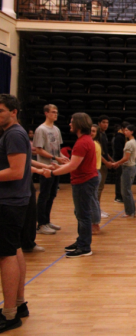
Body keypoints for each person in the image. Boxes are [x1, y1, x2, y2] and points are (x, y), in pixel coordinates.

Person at [43, 113, 99, 258]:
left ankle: (84, 247)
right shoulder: (85, 140)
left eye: (72, 122)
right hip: (85, 180)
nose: (69, 124)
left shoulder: (82, 142)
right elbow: (75, 164)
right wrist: (63, 165)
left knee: (83, 215)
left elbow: (73, 166)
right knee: (80, 213)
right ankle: (81, 241)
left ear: (79, 124)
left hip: (83, 182)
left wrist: (53, 173)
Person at [0, 94, 32, 333]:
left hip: (9, 202)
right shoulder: (15, 133)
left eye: (1, 111)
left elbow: (16, 171)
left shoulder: (13, 134)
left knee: (6, 254)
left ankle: (9, 314)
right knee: (15, 249)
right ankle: (19, 305)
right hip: (14, 201)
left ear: (13, 111)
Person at [33, 104, 68, 235]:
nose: (55, 114)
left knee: (52, 194)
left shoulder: (56, 129)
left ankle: (47, 220)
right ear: (46, 113)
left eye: (56, 112)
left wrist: (63, 159)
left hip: (56, 167)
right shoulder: (41, 130)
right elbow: (39, 150)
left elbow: (58, 151)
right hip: (45, 167)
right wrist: (55, 157)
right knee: (44, 195)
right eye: (53, 112)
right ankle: (41, 224)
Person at [112, 124, 136, 218]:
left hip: (128, 168)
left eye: (127, 130)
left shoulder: (129, 143)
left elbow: (126, 158)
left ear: (132, 132)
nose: (125, 132)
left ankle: (129, 212)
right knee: (127, 191)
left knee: (125, 191)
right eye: (125, 130)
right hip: (132, 167)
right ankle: (132, 211)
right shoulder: (133, 142)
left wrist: (117, 163)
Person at [90, 125, 106, 235]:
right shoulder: (93, 143)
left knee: (93, 201)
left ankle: (95, 225)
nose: (91, 133)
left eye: (93, 131)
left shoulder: (93, 144)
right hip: (95, 173)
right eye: (90, 130)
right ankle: (93, 224)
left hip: (94, 173)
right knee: (93, 200)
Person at [97, 115, 113, 218]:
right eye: (103, 122)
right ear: (99, 123)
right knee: (98, 188)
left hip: (104, 164)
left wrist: (111, 160)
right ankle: (96, 210)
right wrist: (106, 162)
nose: (105, 125)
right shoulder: (98, 135)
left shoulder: (104, 135)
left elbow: (105, 152)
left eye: (107, 123)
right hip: (99, 165)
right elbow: (99, 153)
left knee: (101, 187)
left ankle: (98, 208)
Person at [112, 122, 128, 203]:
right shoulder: (119, 137)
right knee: (119, 179)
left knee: (120, 178)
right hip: (119, 160)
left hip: (120, 160)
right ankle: (118, 196)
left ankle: (120, 195)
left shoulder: (121, 136)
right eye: (126, 130)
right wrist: (121, 161)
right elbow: (119, 151)